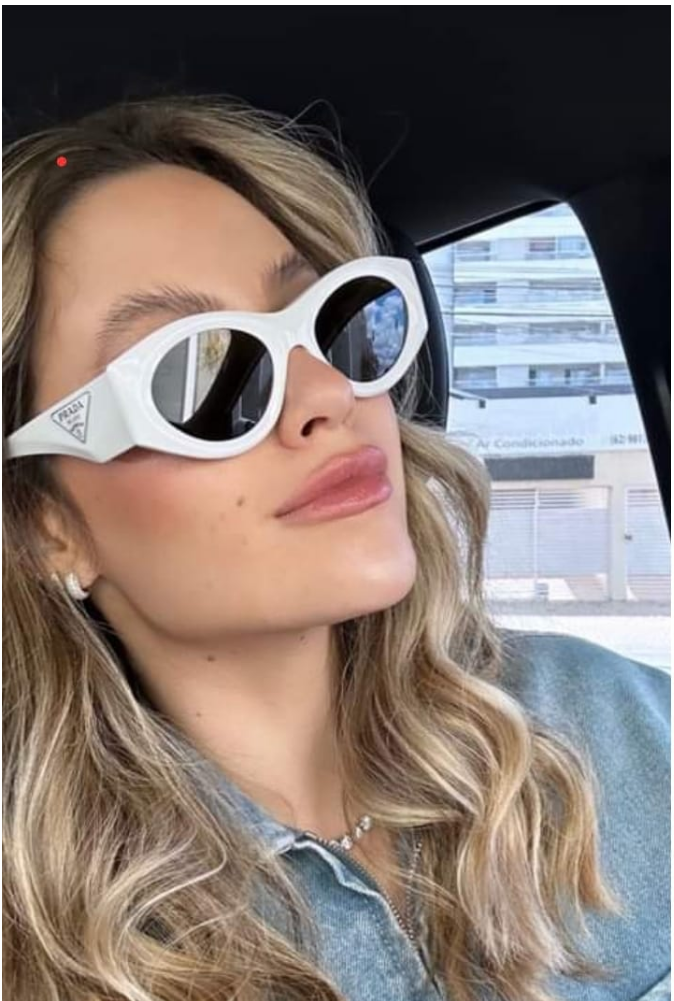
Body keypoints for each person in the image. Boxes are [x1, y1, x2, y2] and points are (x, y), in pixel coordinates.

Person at [2, 95, 669, 1001]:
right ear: (48, 523)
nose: (326, 392)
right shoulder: (35, 940)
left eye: (335, 320)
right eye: (199, 373)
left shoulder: (614, 726)